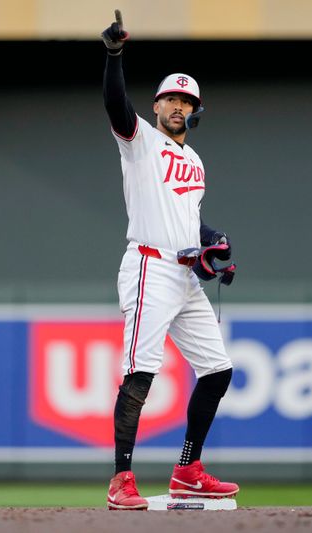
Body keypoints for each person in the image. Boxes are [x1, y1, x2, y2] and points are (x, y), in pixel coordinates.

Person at [100, 11, 239, 510]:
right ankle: (121, 478)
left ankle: (187, 468)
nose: (178, 105)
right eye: (170, 99)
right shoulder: (140, 141)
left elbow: (188, 218)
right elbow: (116, 104)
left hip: (184, 276)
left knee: (218, 371)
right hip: (148, 267)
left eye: (186, 100)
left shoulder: (196, 161)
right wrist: (115, 56)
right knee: (140, 374)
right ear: (156, 106)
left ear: (194, 110)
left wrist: (213, 243)